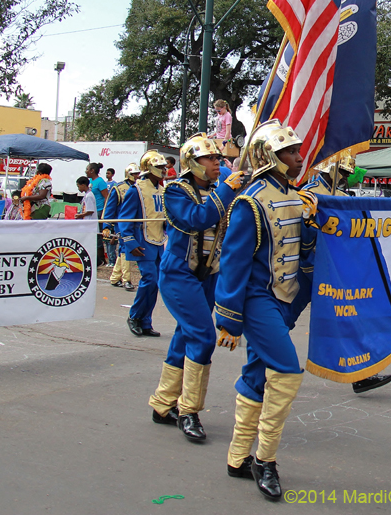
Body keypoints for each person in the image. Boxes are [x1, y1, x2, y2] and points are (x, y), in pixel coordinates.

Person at [214, 120, 316, 501]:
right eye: (289, 151)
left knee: (257, 373)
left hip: (284, 296)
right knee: (287, 371)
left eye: (296, 150)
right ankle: (265, 459)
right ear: (268, 156)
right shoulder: (250, 201)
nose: (297, 156)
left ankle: (238, 457)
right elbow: (233, 262)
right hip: (257, 299)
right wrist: (227, 319)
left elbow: (298, 246)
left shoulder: (293, 192)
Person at [148, 133, 243, 442]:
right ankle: (189, 410)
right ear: (193, 163)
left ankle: (163, 404)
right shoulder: (176, 190)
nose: (218, 163)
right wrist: (228, 190)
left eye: (219, 158)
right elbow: (196, 219)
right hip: (179, 274)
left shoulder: (218, 190)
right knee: (202, 337)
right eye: (211, 158)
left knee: (185, 334)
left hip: (208, 274)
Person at [298, 157, 391, 395]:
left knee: (350, 317)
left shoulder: (343, 197)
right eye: (340, 170)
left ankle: (360, 374)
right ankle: (262, 365)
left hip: (336, 272)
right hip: (308, 269)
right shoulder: (309, 194)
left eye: (345, 171)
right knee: (283, 319)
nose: (343, 175)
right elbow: (302, 234)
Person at [119, 151, 167, 337]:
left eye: (164, 167)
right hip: (142, 242)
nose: (164, 170)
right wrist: (130, 242)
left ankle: (146, 321)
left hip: (158, 242)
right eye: (160, 167)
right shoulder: (136, 190)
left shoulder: (162, 190)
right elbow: (124, 219)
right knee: (150, 280)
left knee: (155, 283)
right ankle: (135, 316)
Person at [103, 163, 140, 291]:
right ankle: (127, 279)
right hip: (122, 224)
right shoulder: (119, 188)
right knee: (126, 249)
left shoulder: (139, 187)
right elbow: (110, 207)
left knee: (124, 250)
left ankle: (114, 277)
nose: (137, 176)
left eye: (137, 173)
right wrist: (106, 225)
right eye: (134, 173)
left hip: (136, 224)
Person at [86, 163, 110, 264]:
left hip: (99, 210)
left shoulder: (100, 182)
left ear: (92, 170)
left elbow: (106, 197)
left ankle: (102, 259)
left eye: (87, 169)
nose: (86, 171)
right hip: (92, 210)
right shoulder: (91, 181)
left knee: (98, 233)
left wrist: (104, 211)